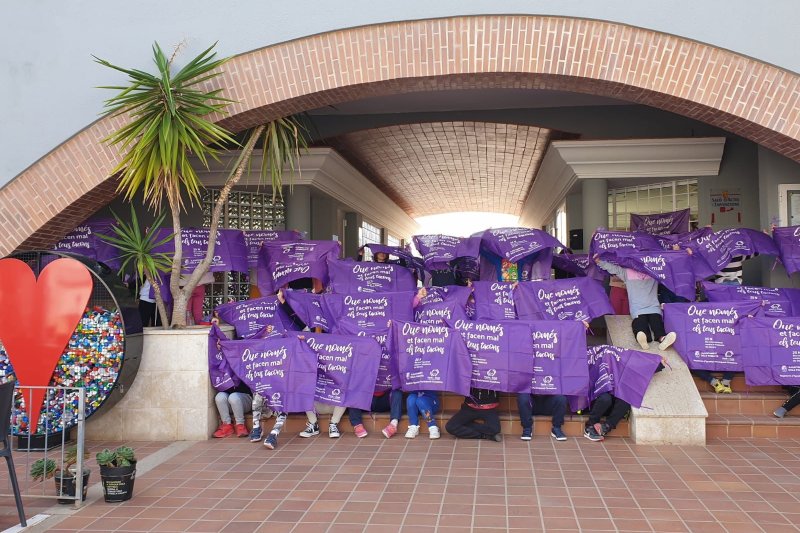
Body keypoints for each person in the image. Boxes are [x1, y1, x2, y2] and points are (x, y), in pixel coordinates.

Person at [593, 254, 678, 351]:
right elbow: (669, 267)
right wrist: (677, 252)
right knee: (656, 323)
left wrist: (599, 261)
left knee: (640, 323)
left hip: (639, 309)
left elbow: (614, 269)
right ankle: (660, 338)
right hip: (653, 308)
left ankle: (645, 337)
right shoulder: (654, 272)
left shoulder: (628, 272)